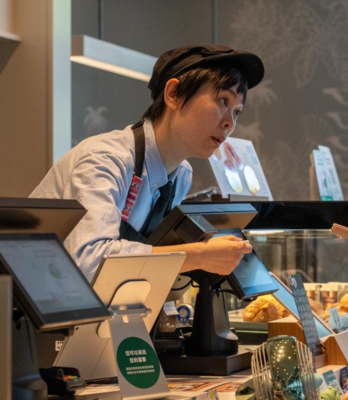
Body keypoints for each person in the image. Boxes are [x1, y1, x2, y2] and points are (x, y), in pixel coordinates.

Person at [30, 44, 264, 282]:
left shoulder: (182, 175)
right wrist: (198, 255)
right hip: (28, 307)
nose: (229, 123)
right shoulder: (107, 159)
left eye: (237, 112)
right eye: (223, 101)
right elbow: (89, 262)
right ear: (173, 94)